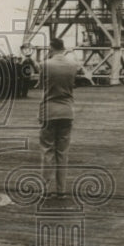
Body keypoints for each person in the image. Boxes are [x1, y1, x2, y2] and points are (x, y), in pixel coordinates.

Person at [39, 37, 80, 197]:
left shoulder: (45, 65)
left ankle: (45, 189)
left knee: (47, 150)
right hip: (67, 111)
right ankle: (61, 190)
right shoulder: (73, 65)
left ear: (51, 48)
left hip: (49, 111)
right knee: (62, 152)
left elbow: (42, 84)